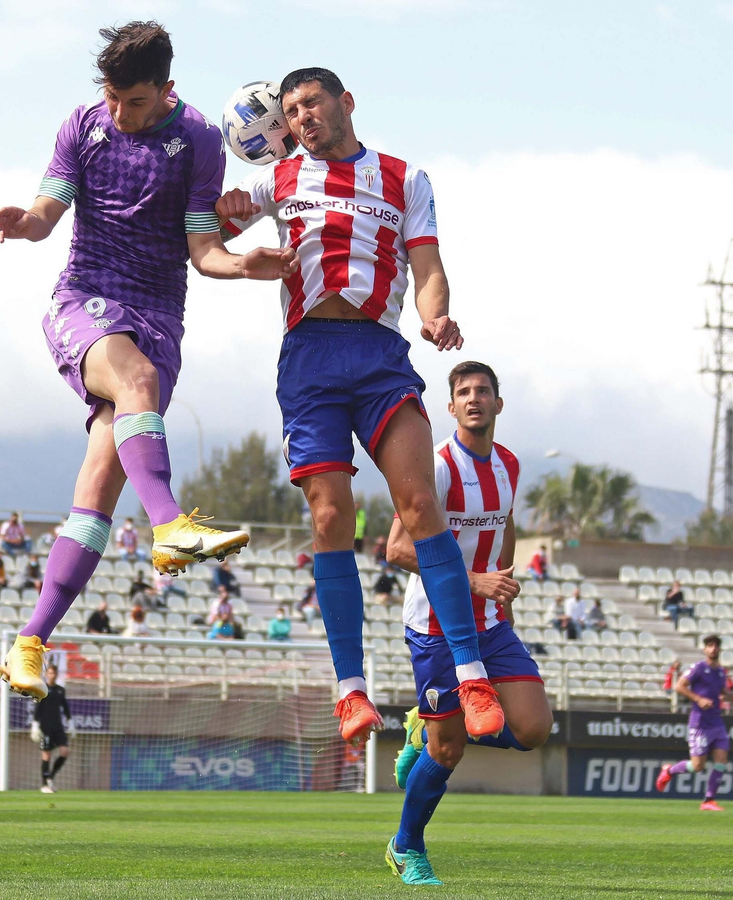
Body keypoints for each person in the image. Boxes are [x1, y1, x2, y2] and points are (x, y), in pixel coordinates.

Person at [217, 68, 502, 749]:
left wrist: (437, 318)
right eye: (289, 111)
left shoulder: (404, 178)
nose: (302, 117)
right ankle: (350, 691)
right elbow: (207, 214)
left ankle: (472, 674)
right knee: (330, 513)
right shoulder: (276, 180)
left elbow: (427, 266)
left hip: (379, 354)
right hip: (309, 358)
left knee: (419, 504)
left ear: (345, 103)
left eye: (311, 102)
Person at [0, 23, 277, 702]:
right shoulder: (84, 127)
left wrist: (243, 265)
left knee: (94, 499)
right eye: (113, 97)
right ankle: (173, 526)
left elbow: (204, 251)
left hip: (159, 318)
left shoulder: (202, 141)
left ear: (167, 90)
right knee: (136, 381)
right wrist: (24, 224)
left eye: (137, 102)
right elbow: (44, 213)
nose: (122, 113)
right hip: (84, 300)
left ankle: (27, 644)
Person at [383, 361, 551, 886]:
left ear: (498, 404)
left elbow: (504, 527)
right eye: (463, 392)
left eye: (483, 391)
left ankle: (427, 728)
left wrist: (502, 593)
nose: (474, 398)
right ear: (450, 407)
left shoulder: (509, 465)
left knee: (533, 728)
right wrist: (474, 581)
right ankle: (406, 847)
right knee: (449, 749)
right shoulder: (435, 466)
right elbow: (397, 549)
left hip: (492, 625)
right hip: (435, 624)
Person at [655, 635, 733, 812]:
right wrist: (698, 699)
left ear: (720, 649)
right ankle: (669, 771)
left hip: (717, 722)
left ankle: (708, 800)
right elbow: (679, 686)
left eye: (716, 645)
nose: (713, 648)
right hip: (700, 723)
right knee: (698, 766)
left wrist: (732, 696)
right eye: (709, 645)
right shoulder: (698, 668)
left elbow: (720, 691)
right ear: (704, 649)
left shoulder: (721, 672)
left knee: (721, 760)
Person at [33, 664, 70, 794]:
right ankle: (44, 784)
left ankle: (51, 777)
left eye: (53, 673)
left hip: (58, 726)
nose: (51, 676)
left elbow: (65, 706)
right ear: (46, 674)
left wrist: (70, 721)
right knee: (46, 755)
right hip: (45, 727)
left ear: (56, 674)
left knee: (65, 752)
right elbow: (38, 708)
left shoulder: (60, 690)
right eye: (49, 673)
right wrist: (35, 725)